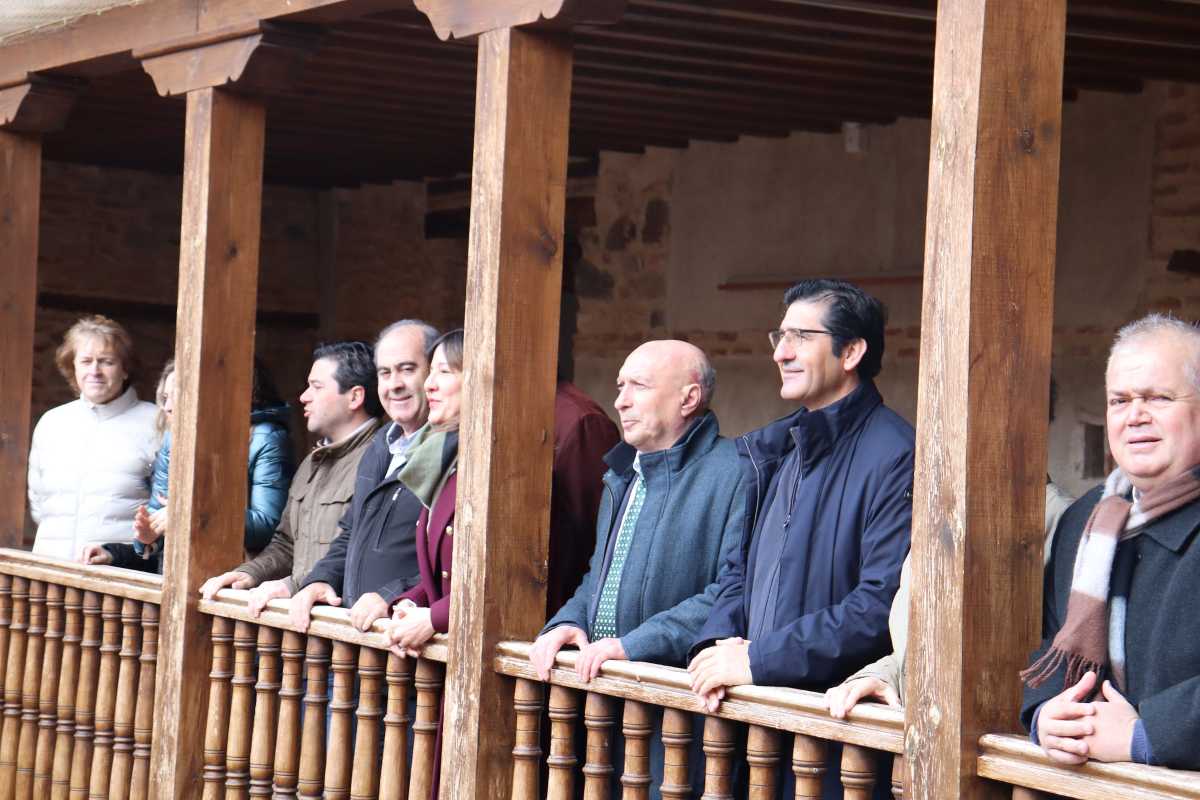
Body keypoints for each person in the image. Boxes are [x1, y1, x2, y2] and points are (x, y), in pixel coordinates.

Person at [688, 279, 914, 708]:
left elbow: (878, 605)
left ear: (851, 352)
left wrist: (759, 659)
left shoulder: (897, 454)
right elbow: (738, 573)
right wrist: (716, 649)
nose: (780, 352)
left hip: (828, 728)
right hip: (749, 717)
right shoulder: (777, 449)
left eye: (801, 337)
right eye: (780, 336)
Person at [826, 380, 1075, 719]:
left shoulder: (1063, 519)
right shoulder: (941, 517)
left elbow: (1045, 661)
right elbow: (916, 639)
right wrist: (883, 674)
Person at [1021, 314, 1200, 770]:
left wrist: (1146, 736)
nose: (1135, 415)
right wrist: (1046, 715)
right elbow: (1050, 639)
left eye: (1159, 398)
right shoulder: (1086, 519)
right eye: (1119, 400)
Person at [198, 342, 385, 606]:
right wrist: (247, 574)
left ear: (355, 397)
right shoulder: (312, 462)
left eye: (317, 387)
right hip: (303, 628)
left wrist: (291, 585)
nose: (304, 397)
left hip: (343, 630)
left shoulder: (382, 459)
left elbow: (360, 555)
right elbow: (287, 543)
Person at [287, 320, 439, 635]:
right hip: (353, 640)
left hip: (407, 647)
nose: (394, 384)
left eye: (407, 369)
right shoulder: (380, 445)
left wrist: (394, 596)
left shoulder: (455, 452)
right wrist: (320, 579)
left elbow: (457, 566)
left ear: (434, 374)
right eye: (385, 373)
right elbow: (351, 532)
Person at [83, 358, 295, 569]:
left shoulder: (266, 437)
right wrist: (148, 537)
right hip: (180, 575)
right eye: (165, 397)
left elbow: (269, 526)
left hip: (239, 579)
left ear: (214, 395)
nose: (167, 407)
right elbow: (160, 511)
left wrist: (187, 515)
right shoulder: (173, 437)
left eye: (180, 396)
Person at [29, 315, 158, 560]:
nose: (94, 371)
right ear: (72, 367)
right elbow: (38, 504)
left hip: (118, 579)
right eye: (86, 361)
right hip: (50, 571)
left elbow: (164, 508)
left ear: (125, 368)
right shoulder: (51, 423)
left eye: (106, 361)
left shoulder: (156, 423)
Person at [548, 380, 621, 616]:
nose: (621, 403)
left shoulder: (581, 420)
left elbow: (594, 539)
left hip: (559, 611)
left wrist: (568, 618)